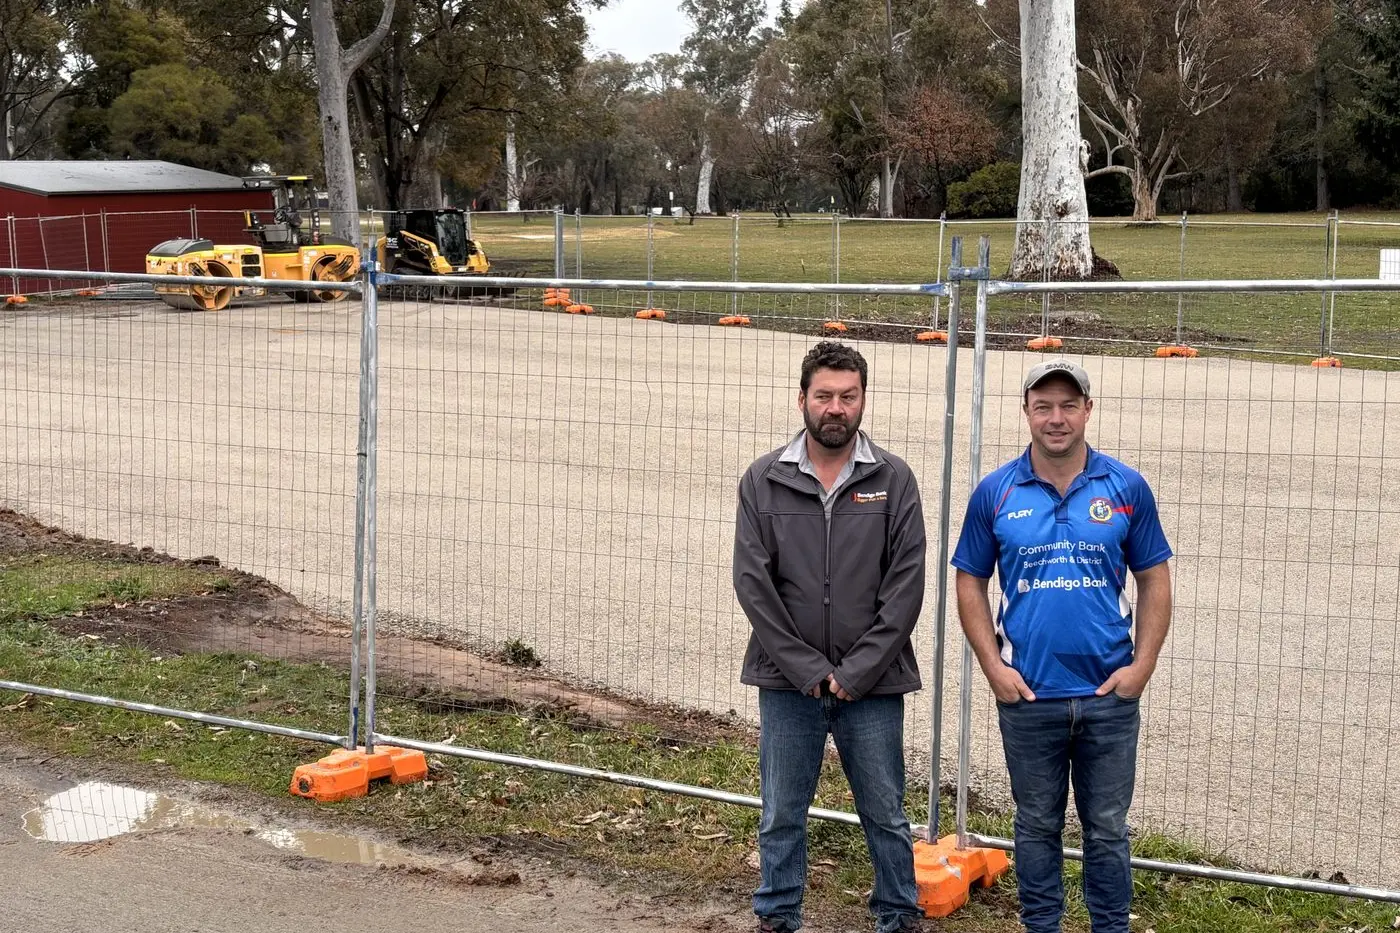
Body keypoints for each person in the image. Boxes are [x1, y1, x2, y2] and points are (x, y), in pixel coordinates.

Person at [951, 359, 1173, 933]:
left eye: (1068, 405)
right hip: (1029, 696)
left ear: (1088, 411)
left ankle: (1110, 926)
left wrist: (1141, 667)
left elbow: (1154, 579)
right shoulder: (995, 492)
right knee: (1036, 825)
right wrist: (994, 667)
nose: (1056, 419)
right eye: (1043, 406)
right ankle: (1041, 925)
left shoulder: (1125, 486)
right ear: (1026, 412)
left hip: (1107, 696)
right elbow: (969, 580)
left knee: (1106, 827)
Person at [732, 341, 927, 933]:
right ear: (802, 401)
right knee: (781, 814)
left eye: (848, 396)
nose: (835, 408)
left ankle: (898, 914)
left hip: (872, 685)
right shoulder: (763, 480)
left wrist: (856, 672)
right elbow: (752, 583)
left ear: (863, 401)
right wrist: (808, 670)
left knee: (886, 814)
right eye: (824, 396)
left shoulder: (893, 480)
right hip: (789, 685)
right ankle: (777, 915)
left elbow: (906, 585)